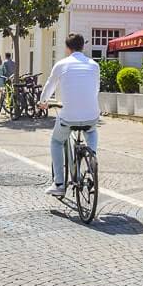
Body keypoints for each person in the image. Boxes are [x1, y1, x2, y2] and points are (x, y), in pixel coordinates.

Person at [38, 33, 100, 196]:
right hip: (91, 114)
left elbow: (50, 85)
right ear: (82, 47)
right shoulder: (94, 65)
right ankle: (92, 158)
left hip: (69, 116)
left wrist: (43, 101)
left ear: (67, 48)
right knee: (92, 130)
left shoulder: (61, 64)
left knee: (57, 141)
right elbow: (95, 89)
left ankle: (59, 183)